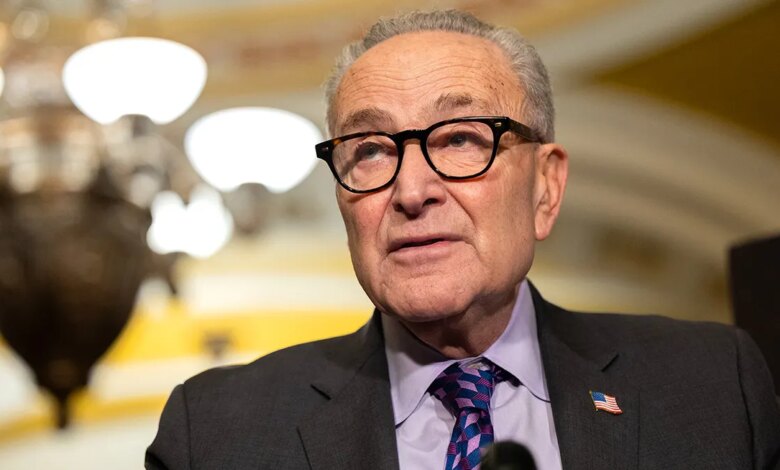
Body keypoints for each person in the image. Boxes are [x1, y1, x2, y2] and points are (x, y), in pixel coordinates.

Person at [146, 10, 780, 470]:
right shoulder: (217, 435)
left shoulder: (714, 386)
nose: (412, 190)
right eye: (369, 150)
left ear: (545, 188)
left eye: (459, 140)